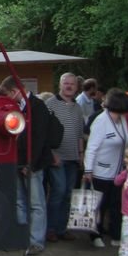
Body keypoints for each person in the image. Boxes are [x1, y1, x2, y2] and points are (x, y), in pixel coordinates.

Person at [0, 76, 54, 255]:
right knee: (21, 201)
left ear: (14, 91)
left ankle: (36, 241)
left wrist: (31, 163)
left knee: (36, 203)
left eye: (8, 95)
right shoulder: (18, 108)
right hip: (18, 161)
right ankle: (22, 237)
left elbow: (39, 139)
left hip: (31, 163)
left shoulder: (37, 107)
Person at [83, 89, 128, 248]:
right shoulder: (101, 120)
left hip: (118, 170)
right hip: (101, 171)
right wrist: (88, 170)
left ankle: (115, 233)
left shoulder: (122, 120)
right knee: (100, 204)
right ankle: (95, 233)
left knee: (116, 204)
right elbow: (91, 147)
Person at [44, 72, 85, 243]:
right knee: (58, 192)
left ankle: (62, 228)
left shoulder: (78, 107)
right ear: (60, 85)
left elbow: (79, 134)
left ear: (76, 87)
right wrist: (52, 154)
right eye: (66, 83)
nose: (69, 86)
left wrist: (81, 155)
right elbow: (44, 132)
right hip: (57, 157)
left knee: (69, 194)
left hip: (73, 158)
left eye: (72, 84)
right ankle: (50, 228)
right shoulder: (50, 104)